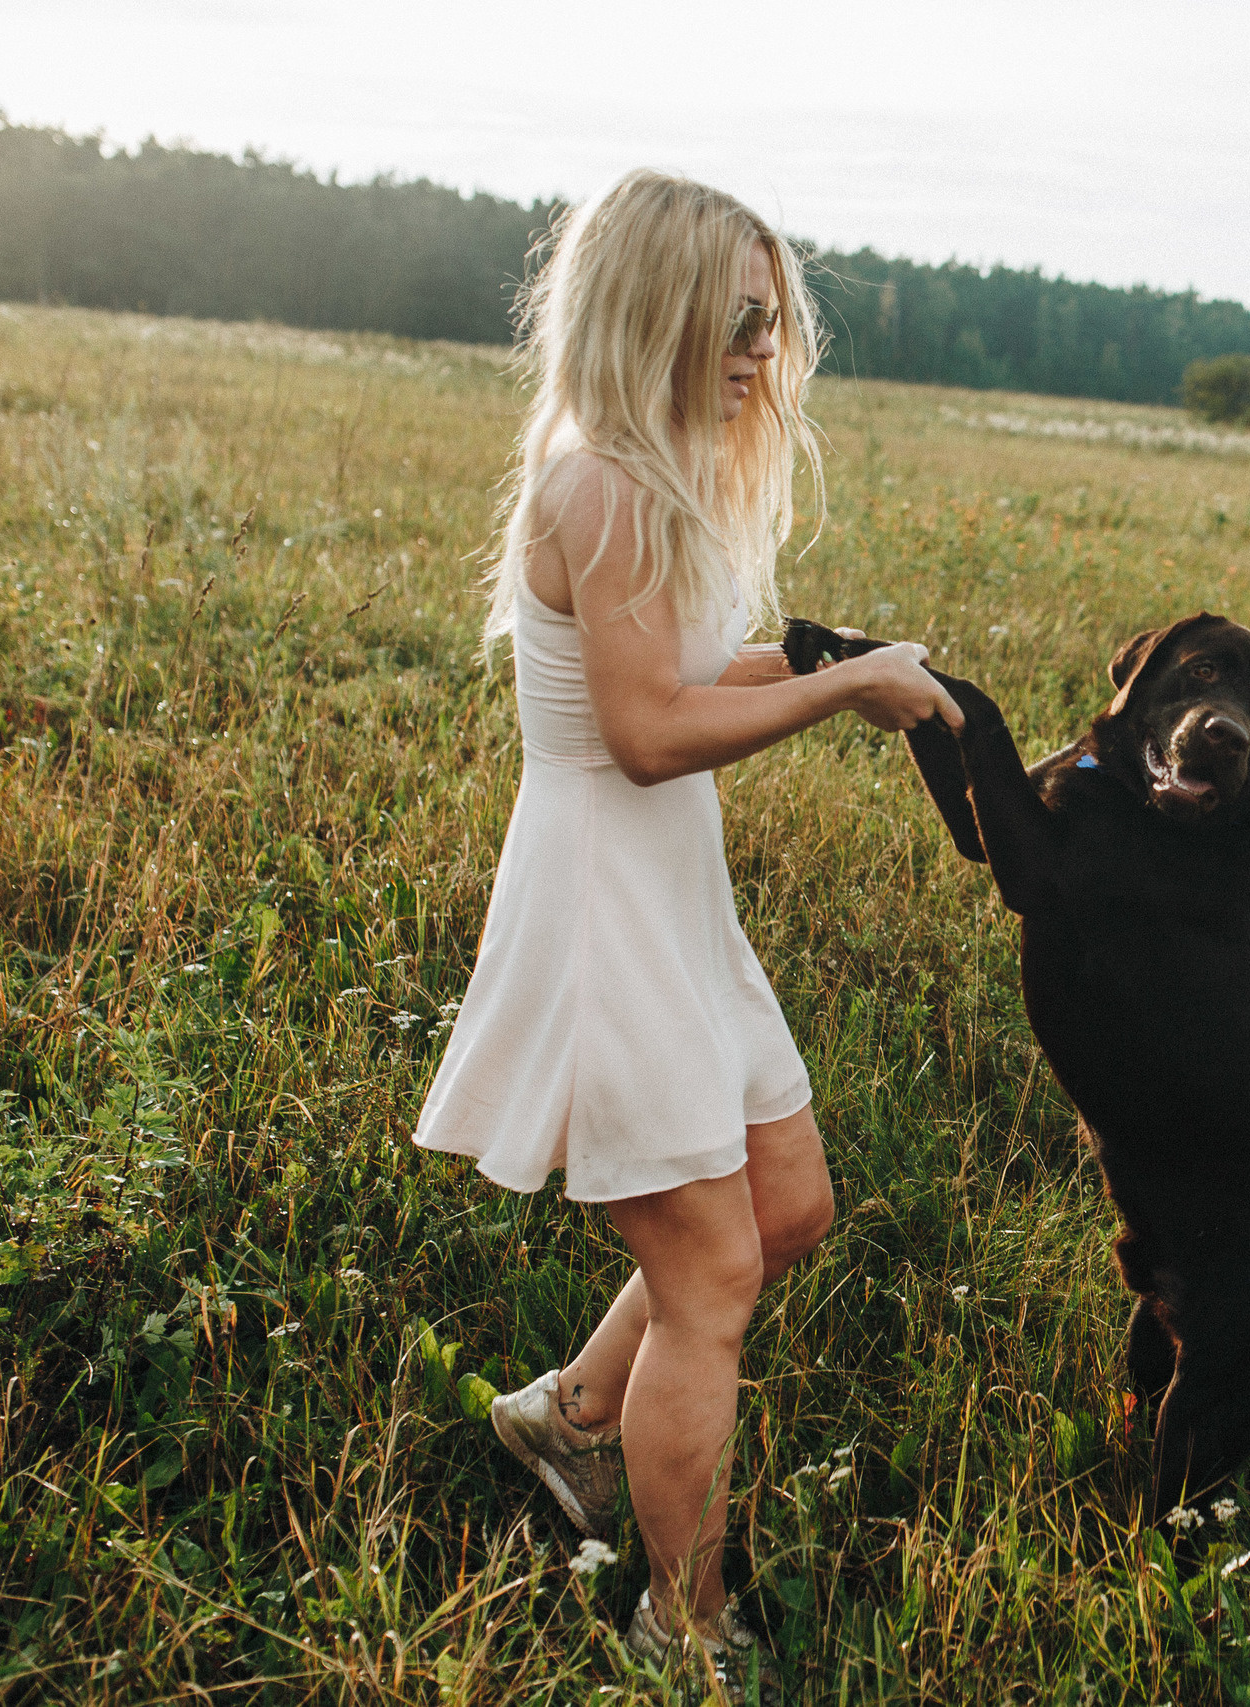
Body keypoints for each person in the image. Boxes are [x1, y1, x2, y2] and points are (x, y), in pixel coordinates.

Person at [411, 168, 959, 1679]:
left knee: (784, 1214)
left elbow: (680, 672)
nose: (757, 356)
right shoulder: (599, 481)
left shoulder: (646, 481)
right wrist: (844, 691)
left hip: (672, 903)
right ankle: (682, 1628)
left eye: (770, 328)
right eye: (731, 324)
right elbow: (646, 734)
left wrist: (814, 652)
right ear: (647, 310)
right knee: (712, 1273)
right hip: (605, 909)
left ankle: (570, 1418)